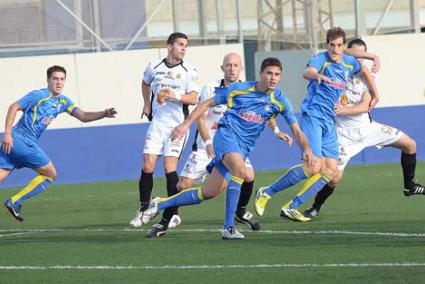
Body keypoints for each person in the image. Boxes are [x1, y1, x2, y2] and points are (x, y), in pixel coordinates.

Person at [139, 57, 314, 240]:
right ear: (261, 73)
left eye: (277, 74)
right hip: (225, 137)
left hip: (243, 147)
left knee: (207, 192)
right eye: (269, 73)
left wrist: (307, 149)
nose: (273, 77)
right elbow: (206, 103)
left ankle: (159, 204)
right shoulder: (239, 89)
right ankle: (228, 228)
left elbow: (296, 129)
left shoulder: (280, 100)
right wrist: (186, 124)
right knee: (240, 171)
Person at [255, 27, 380, 222]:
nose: (335, 49)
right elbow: (308, 71)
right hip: (313, 116)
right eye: (332, 45)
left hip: (330, 120)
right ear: (327, 45)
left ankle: (292, 207)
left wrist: (375, 93)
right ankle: (267, 192)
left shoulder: (348, 62)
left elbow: (363, 70)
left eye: (339, 45)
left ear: (344, 46)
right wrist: (317, 75)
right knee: (314, 166)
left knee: (331, 171)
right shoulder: (321, 60)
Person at [303, 38, 425, 219]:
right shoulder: (337, 72)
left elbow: (365, 106)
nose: (359, 60)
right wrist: (372, 55)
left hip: (368, 129)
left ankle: (409, 186)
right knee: (334, 178)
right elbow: (345, 55)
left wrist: (343, 109)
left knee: (410, 145)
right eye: (356, 55)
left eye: (362, 57)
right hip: (344, 135)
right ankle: (315, 207)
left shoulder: (366, 78)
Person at [1, 65, 117, 221]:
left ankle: (13, 202)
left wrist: (103, 113)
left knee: (2, 174)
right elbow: (14, 106)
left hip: (15, 143)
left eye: (62, 79)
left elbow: (82, 115)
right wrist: (7, 133)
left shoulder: (63, 101)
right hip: (22, 140)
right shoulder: (39, 95)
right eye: (55, 78)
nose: (59, 82)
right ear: (48, 80)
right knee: (50, 174)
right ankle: (14, 202)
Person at [129, 32, 199, 229]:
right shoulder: (154, 67)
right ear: (169, 46)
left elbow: (193, 98)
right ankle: (144, 209)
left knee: (170, 167)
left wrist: (173, 94)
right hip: (158, 124)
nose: (183, 48)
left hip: (177, 126)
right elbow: (145, 82)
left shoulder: (188, 70)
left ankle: (173, 213)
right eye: (180, 44)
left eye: (185, 45)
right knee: (148, 165)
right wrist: (147, 105)